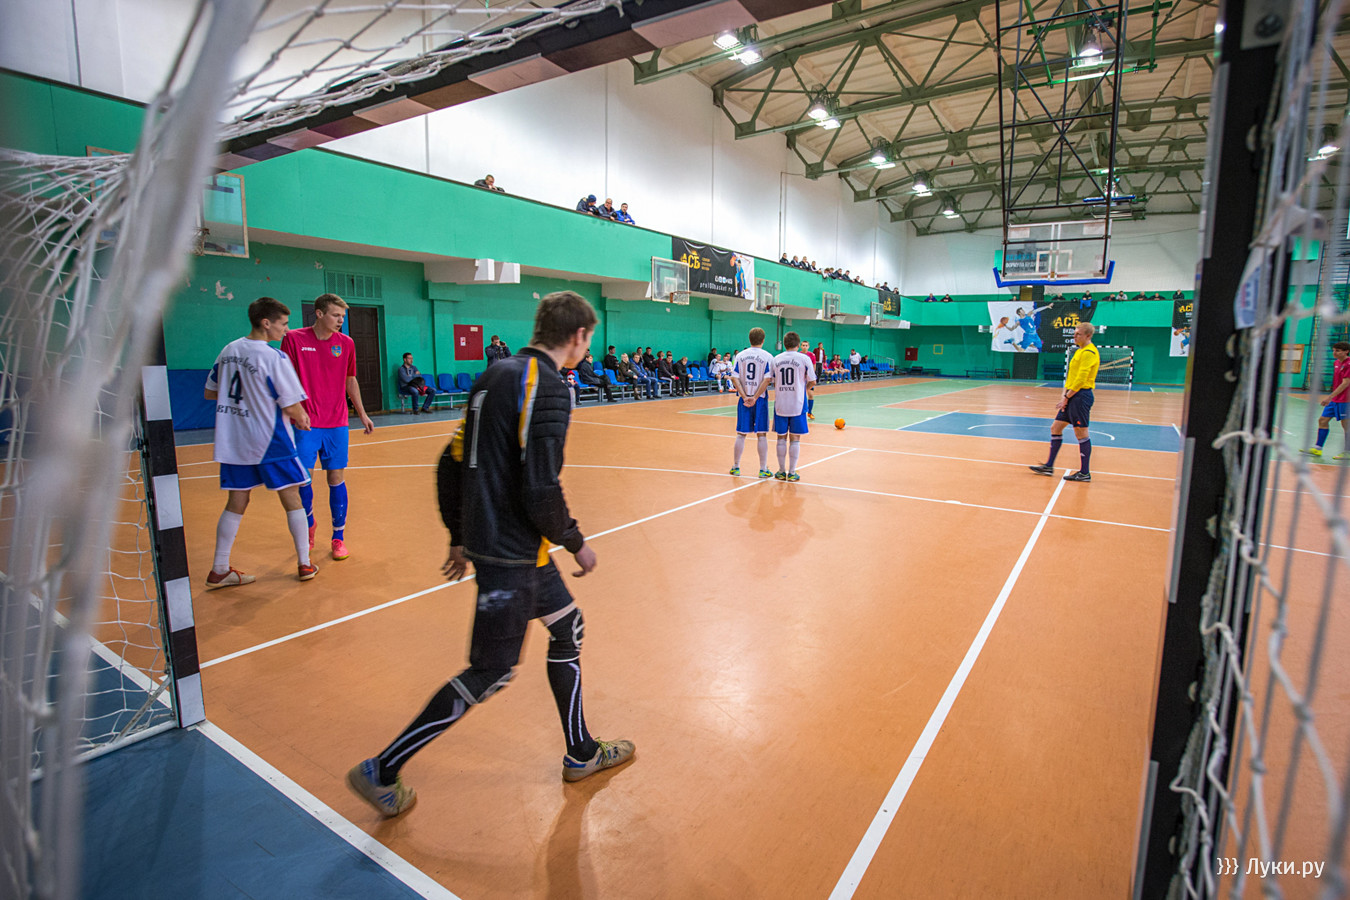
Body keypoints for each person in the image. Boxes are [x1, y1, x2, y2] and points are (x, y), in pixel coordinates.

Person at [346, 291, 635, 817]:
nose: (587, 347)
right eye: (588, 338)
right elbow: (540, 487)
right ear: (578, 336)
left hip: (507, 547)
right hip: (512, 553)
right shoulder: (548, 386)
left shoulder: (494, 375)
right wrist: (576, 541)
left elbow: (450, 461)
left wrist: (458, 534)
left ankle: (581, 752)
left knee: (567, 627)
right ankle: (382, 770)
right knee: (492, 669)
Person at [203, 297, 317, 587]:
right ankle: (305, 563)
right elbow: (291, 405)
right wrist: (302, 418)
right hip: (270, 441)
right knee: (292, 498)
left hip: (234, 441)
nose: (286, 330)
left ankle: (219, 569)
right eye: (283, 324)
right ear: (266, 323)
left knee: (237, 500)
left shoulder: (228, 350)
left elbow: (211, 392)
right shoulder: (274, 357)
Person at [281, 294, 375, 562]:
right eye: (336, 315)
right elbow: (285, 380)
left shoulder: (346, 343)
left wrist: (362, 413)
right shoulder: (294, 339)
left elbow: (350, 379)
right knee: (303, 479)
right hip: (305, 423)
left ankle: (338, 537)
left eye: (343, 316)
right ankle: (309, 523)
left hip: (337, 422)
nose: (340, 320)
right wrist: (294, 411)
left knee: (336, 478)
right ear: (319, 314)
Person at [1029, 322, 1099, 482]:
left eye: (1078, 334)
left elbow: (1081, 379)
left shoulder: (1089, 352)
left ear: (1088, 336)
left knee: (1081, 433)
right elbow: (1071, 377)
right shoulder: (1079, 351)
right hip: (1072, 395)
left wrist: (1068, 397)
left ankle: (1084, 473)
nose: (1075, 336)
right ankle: (1049, 466)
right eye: (1074, 333)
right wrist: (1064, 396)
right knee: (1056, 427)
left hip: (1081, 396)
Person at [770, 332, 816, 482]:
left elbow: (773, 381)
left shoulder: (776, 359)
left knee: (781, 438)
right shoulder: (804, 358)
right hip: (798, 403)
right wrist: (803, 389)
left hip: (781, 403)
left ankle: (781, 471)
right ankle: (792, 472)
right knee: (795, 438)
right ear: (798, 344)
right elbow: (813, 381)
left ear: (784, 344)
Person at [730, 327, 775, 478]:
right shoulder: (768, 356)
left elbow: (734, 377)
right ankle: (763, 469)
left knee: (741, 434)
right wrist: (755, 397)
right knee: (761, 434)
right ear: (763, 340)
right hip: (760, 400)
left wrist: (744, 396)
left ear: (749, 339)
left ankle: (736, 467)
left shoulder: (740, 355)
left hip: (744, 400)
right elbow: (767, 379)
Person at [1302, 341, 1350, 459]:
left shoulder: (1348, 364)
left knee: (1346, 425)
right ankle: (1318, 449)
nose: (1334, 353)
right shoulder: (1336, 363)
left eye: (1338, 351)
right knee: (1323, 420)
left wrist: (1329, 397)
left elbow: (1346, 383)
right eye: (1333, 350)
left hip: (1346, 400)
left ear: (1346, 352)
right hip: (1336, 399)